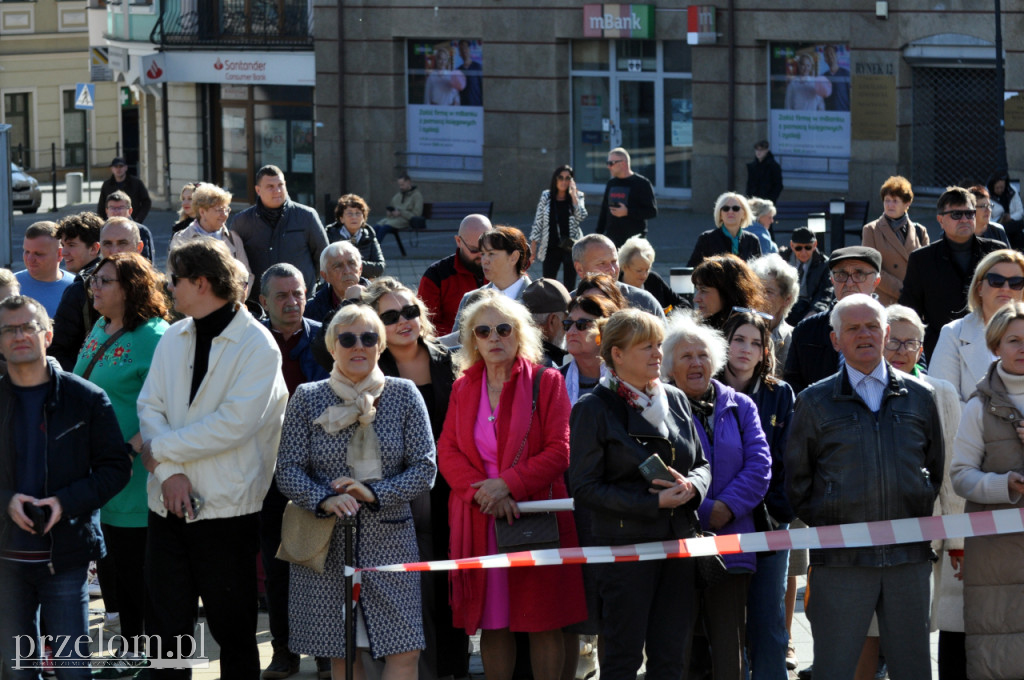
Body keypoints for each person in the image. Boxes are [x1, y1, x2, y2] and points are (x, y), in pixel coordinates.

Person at [137, 239, 290, 679]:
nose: (169, 288)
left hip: (227, 512)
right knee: (167, 633)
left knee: (234, 631)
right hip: (165, 504)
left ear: (201, 283)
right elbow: (151, 408)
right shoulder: (175, 336)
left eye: (176, 280)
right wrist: (168, 473)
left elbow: (234, 424)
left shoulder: (257, 345)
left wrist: (160, 453)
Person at [786, 293, 944, 680]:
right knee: (834, 669)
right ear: (835, 339)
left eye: (873, 326)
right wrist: (836, 519)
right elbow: (798, 483)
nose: (865, 335)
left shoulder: (921, 397)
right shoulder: (814, 401)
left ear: (887, 333)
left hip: (908, 559)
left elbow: (933, 469)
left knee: (913, 669)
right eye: (853, 328)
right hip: (842, 562)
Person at [276, 303, 436, 680]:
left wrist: (374, 492)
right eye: (347, 339)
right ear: (332, 347)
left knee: (405, 650)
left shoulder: (404, 394)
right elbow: (287, 469)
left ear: (380, 346)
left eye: (368, 338)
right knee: (344, 657)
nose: (358, 346)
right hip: (328, 545)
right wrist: (324, 499)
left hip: (392, 542)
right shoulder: (307, 397)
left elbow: (425, 468)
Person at [437, 291, 586, 680]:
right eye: (483, 331)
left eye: (503, 329)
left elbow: (560, 451)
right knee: (493, 622)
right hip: (481, 520)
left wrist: (507, 485)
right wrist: (482, 493)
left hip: (534, 516)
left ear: (520, 334)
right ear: (472, 340)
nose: (493, 338)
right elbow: (448, 452)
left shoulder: (547, 381)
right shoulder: (462, 387)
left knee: (544, 621)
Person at [569, 309, 710, 680]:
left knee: (671, 657)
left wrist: (692, 486)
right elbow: (583, 488)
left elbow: (703, 463)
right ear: (616, 353)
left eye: (659, 345)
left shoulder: (677, 399)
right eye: (646, 346)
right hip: (623, 550)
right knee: (622, 659)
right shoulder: (592, 408)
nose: (657, 354)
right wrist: (652, 503)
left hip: (678, 544)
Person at [0, 294, 131, 678]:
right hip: (6, 560)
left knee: (73, 670)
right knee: (16, 671)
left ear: (48, 335)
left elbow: (114, 468)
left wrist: (64, 502)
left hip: (66, 557)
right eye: (9, 329)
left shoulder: (86, 398)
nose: (19, 336)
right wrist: (6, 501)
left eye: (28, 327)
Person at [363, 277, 468, 680]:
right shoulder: (371, 367)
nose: (404, 320)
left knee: (449, 587)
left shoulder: (449, 361)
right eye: (391, 316)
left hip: (450, 490)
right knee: (406, 592)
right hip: (395, 494)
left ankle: (453, 670)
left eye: (410, 311)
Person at [662, 312, 772, 680]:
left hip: (732, 545)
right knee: (677, 651)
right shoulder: (655, 410)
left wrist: (726, 507)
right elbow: (656, 472)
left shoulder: (741, 406)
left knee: (729, 651)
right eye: (685, 356)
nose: (696, 363)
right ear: (668, 366)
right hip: (676, 545)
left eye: (703, 355)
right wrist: (704, 510)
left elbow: (760, 466)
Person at [72, 252, 170, 658]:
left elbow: (168, 405)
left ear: (131, 287)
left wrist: (128, 449)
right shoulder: (99, 324)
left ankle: (150, 654)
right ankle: (130, 648)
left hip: (134, 475)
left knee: (140, 574)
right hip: (101, 477)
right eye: (94, 280)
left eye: (105, 281)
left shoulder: (157, 336)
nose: (94, 287)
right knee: (116, 571)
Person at [255, 263, 330, 680]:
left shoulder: (325, 337)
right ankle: (284, 651)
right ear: (264, 301)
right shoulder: (252, 340)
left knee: (319, 562)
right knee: (277, 562)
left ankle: (323, 652)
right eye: (282, 295)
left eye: (298, 293)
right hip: (267, 471)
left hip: (319, 471)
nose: (292, 301)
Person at [884, 305, 965, 680]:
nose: (900, 350)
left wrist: (958, 538)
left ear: (921, 349)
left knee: (914, 633)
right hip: (868, 532)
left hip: (925, 534)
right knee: (870, 638)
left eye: (909, 342)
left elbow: (950, 469)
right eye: (892, 341)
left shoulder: (941, 391)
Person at [718, 312, 796, 680]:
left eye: (755, 343)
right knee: (725, 625)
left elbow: (787, 460)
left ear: (767, 351)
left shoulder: (779, 393)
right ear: (724, 342)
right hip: (719, 522)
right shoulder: (706, 386)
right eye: (738, 340)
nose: (745, 349)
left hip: (768, 525)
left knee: (768, 623)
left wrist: (778, 511)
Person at [950, 301, 1024, 680]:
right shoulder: (978, 407)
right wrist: (1003, 485)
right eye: (1013, 340)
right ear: (996, 346)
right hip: (995, 552)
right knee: (997, 654)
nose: (1022, 347)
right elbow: (960, 475)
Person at [900, 186, 1003, 360]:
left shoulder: (996, 251)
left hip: (990, 347)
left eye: (969, 214)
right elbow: (910, 310)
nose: (964, 219)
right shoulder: (922, 259)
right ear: (940, 220)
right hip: (940, 349)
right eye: (956, 214)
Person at [930, 249, 1024, 405]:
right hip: (972, 428)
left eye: (1016, 283)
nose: (1006, 288)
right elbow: (943, 402)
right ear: (979, 288)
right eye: (996, 280)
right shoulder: (953, 333)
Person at [784, 245, 882, 394]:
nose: (849, 283)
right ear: (832, 280)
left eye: (859, 274)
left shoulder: (896, 328)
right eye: (841, 274)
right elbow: (793, 388)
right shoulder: (806, 331)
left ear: (876, 282)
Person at [231, 165, 330, 303]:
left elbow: (323, 256)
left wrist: (308, 281)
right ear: (258, 190)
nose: (277, 190)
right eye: (270, 186)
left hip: (300, 301)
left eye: (280, 185)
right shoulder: (242, 221)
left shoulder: (307, 216)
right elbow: (235, 262)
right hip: (259, 303)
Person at [448, 226, 533, 337]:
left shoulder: (538, 298)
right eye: (483, 254)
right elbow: (457, 343)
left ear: (514, 257)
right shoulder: (471, 299)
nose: (484, 260)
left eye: (491, 254)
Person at [170, 183, 254, 294]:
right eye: (219, 210)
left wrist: (234, 303)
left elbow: (247, 276)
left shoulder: (233, 238)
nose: (224, 215)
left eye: (226, 209)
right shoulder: (182, 238)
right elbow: (174, 278)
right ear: (202, 212)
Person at [860, 175, 930, 306]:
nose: (890, 205)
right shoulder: (871, 230)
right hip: (886, 301)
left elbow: (927, 267)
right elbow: (871, 268)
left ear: (907, 203)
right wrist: (902, 290)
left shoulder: (920, 230)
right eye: (887, 200)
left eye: (895, 201)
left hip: (914, 302)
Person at [418, 214, 490, 337]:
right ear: (458, 241)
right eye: (474, 249)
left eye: (487, 249)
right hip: (454, 347)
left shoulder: (503, 268)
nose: (482, 256)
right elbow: (425, 324)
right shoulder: (436, 275)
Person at [50, 212, 105, 370]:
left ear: (94, 248)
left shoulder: (79, 288)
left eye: (72, 245)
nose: (64, 252)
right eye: (63, 245)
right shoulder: (120, 277)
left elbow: (57, 348)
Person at [571, 234, 665, 319]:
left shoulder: (643, 302)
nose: (612, 270)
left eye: (614, 262)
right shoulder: (567, 304)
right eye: (602, 263)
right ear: (579, 269)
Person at [529, 165, 587, 290]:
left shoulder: (578, 196)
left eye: (567, 178)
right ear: (555, 179)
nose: (563, 181)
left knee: (569, 284)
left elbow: (581, 216)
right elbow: (538, 221)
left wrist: (573, 196)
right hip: (550, 246)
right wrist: (533, 247)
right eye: (561, 177)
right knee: (548, 283)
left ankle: (568, 307)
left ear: (571, 181)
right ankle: (550, 307)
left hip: (570, 246)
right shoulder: (546, 196)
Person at [560, 295, 619, 406]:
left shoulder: (626, 381)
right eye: (568, 324)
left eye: (581, 325)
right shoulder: (555, 380)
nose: (571, 331)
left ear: (604, 330)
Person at [596, 148, 657, 247]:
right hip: (612, 240)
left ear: (623, 163)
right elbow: (604, 211)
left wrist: (627, 212)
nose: (608, 167)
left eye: (611, 163)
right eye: (607, 163)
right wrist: (597, 236)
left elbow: (651, 211)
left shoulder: (642, 183)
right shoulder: (611, 183)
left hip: (634, 243)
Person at [750, 253, 799, 376]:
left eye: (768, 291)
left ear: (787, 299)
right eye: (756, 290)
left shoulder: (795, 339)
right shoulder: (738, 333)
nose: (760, 297)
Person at [691, 254, 766, 331]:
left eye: (703, 290)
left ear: (727, 293)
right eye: (698, 290)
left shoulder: (752, 332)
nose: (696, 299)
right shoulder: (694, 330)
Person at [304, 241, 371, 325]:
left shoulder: (379, 299)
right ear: (325, 276)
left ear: (360, 269)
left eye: (352, 263)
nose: (347, 271)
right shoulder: (311, 310)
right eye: (338, 266)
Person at [16, 221, 75, 316]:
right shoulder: (8, 286)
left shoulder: (75, 288)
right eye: (27, 252)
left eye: (38, 254)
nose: (30, 259)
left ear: (60, 254)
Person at [688, 192, 762, 266]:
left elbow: (759, 273)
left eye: (735, 208)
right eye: (725, 208)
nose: (730, 211)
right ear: (720, 214)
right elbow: (692, 270)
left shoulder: (752, 241)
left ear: (744, 214)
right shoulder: (706, 239)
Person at [778, 227, 832, 326]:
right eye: (798, 248)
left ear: (815, 245)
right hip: (784, 304)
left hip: (808, 306)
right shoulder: (781, 259)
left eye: (808, 247)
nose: (803, 252)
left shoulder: (823, 264)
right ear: (792, 245)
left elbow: (825, 293)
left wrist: (815, 311)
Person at [618, 236, 686, 313]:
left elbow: (684, 304)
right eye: (639, 271)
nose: (644, 275)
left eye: (647, 269)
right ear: (625, 266)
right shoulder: (615, 287)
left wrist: (666, 315)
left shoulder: (653, 280)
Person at [325, 194, 386, 278]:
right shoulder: (330, 236)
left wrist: (350, 263)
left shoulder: (369, 235)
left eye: (358, 213)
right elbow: (330, 267)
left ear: (363, 218)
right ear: (341, 218)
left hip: (364, 285)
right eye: (349, 214)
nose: (354, 217)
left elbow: (379, 268)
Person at [521, 278, 573, 368]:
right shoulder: (550, 367)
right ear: (552, 320)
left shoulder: (512, 352)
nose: (570, 329)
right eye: (567, 322)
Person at [374, 174, 424, 256]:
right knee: (376, 227)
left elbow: (416, 214)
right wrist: (390, 212)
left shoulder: (417, 196)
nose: (401, 187)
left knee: (384, 228)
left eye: (402, 184)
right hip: (393, 219)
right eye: (399, 185)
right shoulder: (398, 195)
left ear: (408, 182)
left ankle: (375, 252)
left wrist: (401, 212)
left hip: (405, 220)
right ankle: (367, 250)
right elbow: (392, 207)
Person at [104, 191, 155, 262]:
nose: (116, 211)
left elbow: (146, 262)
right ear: (106, 211)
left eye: (120, 208)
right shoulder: (101, 230)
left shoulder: (141, 231)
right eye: (112, 208)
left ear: (130, 211)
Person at [97, 156, 151, 223]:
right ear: (112, 169)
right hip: (111, 222)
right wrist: (101, 222)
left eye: (121, 166)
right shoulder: (107, 185)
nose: (118, 169)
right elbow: (101, 206)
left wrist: (138, 219)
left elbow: (146, 202)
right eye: (116, 167)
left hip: (132, 221)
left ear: (126, 167)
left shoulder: (136, 183)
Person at [822, 45, 850, 112]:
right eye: (827, 55)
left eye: (831, 53)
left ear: (836, 55)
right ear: (825, 59)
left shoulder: (846, 74)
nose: (830, 56)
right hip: (829, 117)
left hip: (844, 115)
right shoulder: (823, 77)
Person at [457, 39, 483, 106]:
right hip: (463, 109)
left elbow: (483, 87)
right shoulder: (458, 70)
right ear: (459, 53)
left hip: (477, 107)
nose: (463, 50)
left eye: (465, 47)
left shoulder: (477, 67)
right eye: (461, 49)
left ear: (469, 50)